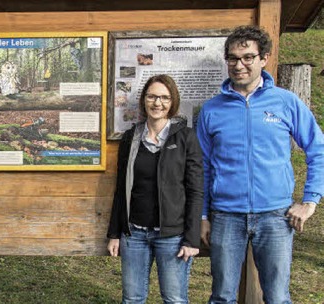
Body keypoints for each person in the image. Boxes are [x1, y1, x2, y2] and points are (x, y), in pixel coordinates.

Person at [197, 25, 324, 303]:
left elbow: (318, 148)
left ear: (264, 58)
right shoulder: (211, 110)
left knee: (277, 297)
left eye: (247, 57)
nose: (239, 65)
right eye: (232, 58)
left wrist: (310, 200)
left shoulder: (286, 102)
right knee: (221, 296)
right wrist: (203, 216)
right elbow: (203, 167)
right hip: (226, 216)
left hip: (276, 216)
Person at [107, 74, 204, 304]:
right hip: (134, 235)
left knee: (174, 299)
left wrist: (191, 239)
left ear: (173, 102)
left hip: (171, 236)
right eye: (152, 96)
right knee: (132, 299)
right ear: (144, 100)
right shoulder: (131, 138)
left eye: (164, 98)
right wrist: (114, 233)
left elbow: (195, 190)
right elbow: (121, 189)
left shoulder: (186, 137)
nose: (157, 103)